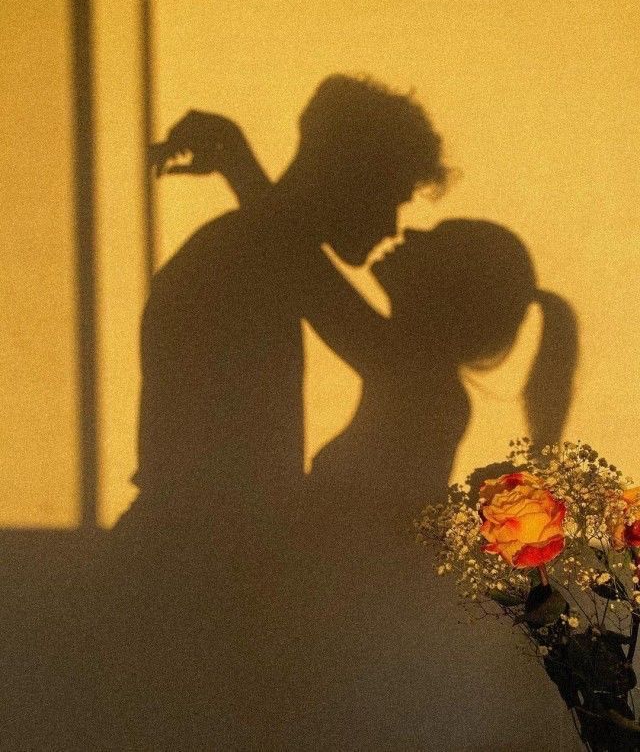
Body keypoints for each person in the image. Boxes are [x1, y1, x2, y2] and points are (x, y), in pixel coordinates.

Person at [172, 121, 581, 748]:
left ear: (449, 291)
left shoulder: (415, 379)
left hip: (329, 633)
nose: (407, 231)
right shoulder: (420, 380)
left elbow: (306, 274)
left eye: (437, 239)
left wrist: (239, 162)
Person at [91, 75, 449, 750]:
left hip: (185, 573)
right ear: (352, 177)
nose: (393, 225)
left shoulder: (248, 249)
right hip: (198, 587)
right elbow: (387, 358)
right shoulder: (250, 256)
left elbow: (293, 252)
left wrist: (243, 166)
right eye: (392, 196)